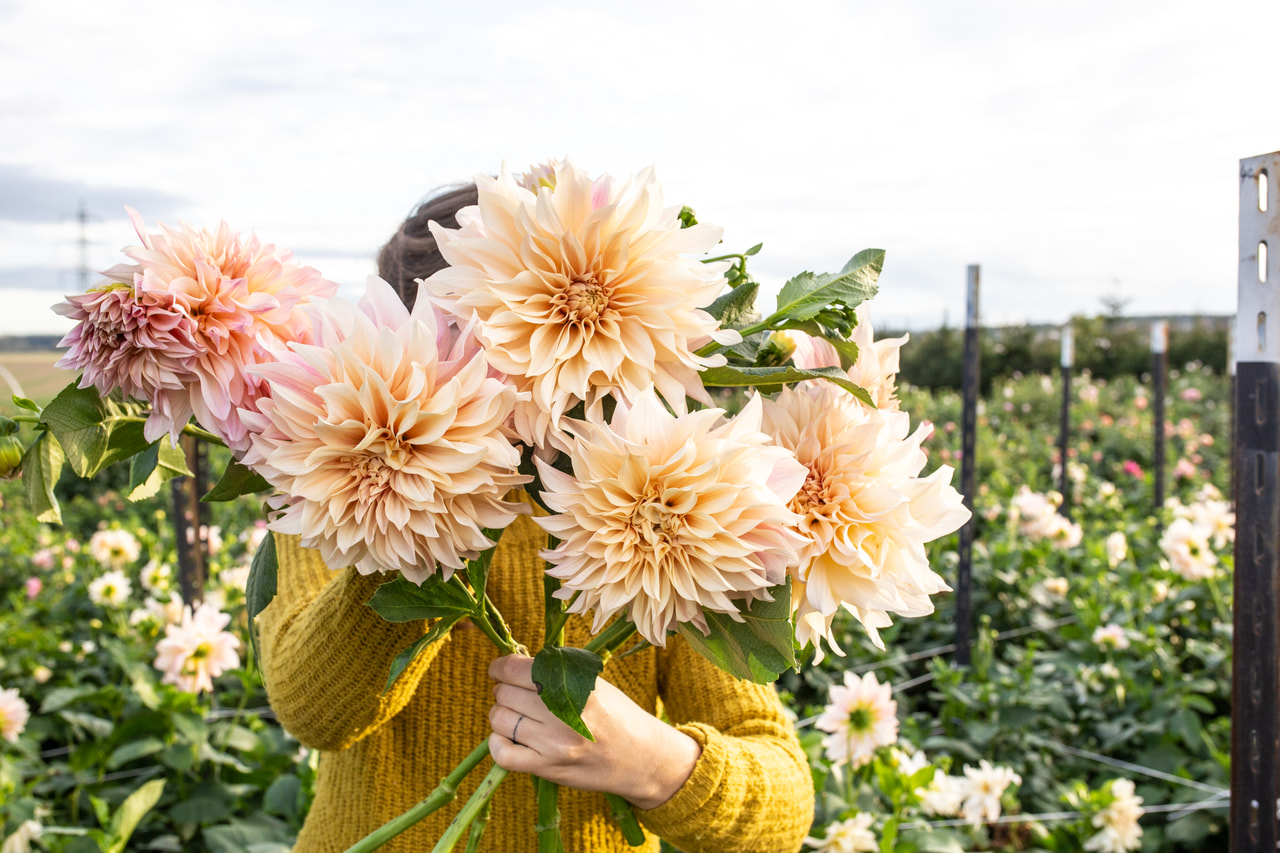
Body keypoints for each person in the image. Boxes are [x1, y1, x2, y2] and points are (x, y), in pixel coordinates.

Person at [255, 183, 815, 853]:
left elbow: (784, 802)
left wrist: (653, 763)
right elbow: (313, 710)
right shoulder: (329, 474)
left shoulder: (664, 494)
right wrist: (416, 507)